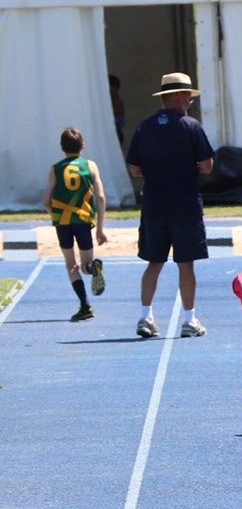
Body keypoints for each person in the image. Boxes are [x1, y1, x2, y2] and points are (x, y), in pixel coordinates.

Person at [126, 72, 215, 339]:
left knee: (154, 262)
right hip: (185, 204)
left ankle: (145, 315)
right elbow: (208, 165)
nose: (189, 99)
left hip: (154, 204)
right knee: (185, 263)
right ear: (178, 96)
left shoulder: (145, 126)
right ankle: (189, 319)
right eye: (187, 94)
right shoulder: (191, 126)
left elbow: (134, 169)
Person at [41, 127, 108, 322]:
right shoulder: (91, 166)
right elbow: (101, 196)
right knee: (86, 263)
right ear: (83, 145)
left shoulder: (56, 168)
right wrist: (101, 228)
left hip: (63, 221)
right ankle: (93, 268)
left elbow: (46, 200)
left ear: (62, 147)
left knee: (71, 265)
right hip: (84, 219)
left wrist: (57, 214)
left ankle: (85, 305)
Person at [109, 75, 125, 146]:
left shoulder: (117, 100)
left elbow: (112, 114)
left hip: (115, 132)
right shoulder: (111, 99)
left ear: (114, 87)